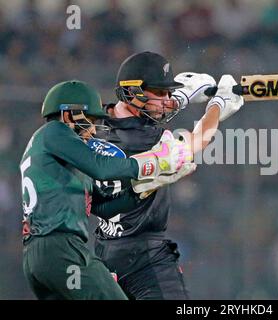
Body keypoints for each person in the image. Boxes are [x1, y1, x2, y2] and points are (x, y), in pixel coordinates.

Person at [20, 80, 195, 299]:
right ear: (68, 115)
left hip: (41, 258)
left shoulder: (64, 159)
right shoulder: (53, 132)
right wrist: (153, 163)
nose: (93, 130)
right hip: (61, 250)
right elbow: (102, 168)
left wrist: (152, 183)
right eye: (90, 121)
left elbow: (104, 207)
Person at [92, 51, 244, 299]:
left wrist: (180, 96)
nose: (166, 100)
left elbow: (139, 113)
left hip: (103, 255)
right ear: (133, 91)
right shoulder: (147, 139)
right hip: (144, 257)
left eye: (168, 93)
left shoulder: (97, 121)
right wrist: (217, 108)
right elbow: (193, 145)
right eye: (160, 93)